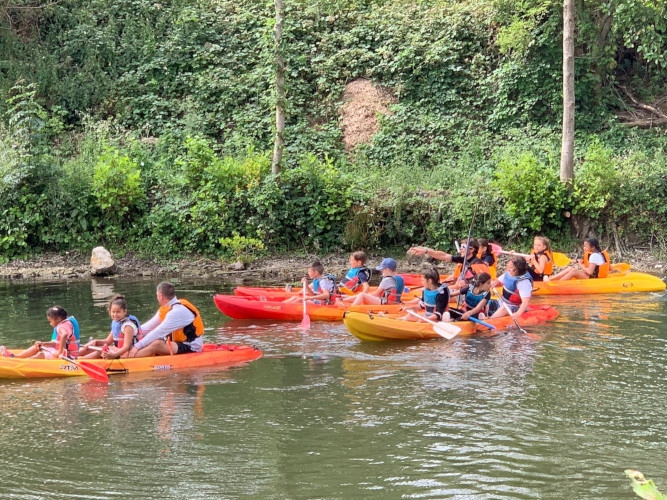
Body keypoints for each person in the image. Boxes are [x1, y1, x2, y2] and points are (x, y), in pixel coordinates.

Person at [128, 282, 204, 357]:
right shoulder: (167, 308)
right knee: (146, 339)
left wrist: (137, 346)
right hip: (177, 343)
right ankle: (128, 353)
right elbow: (148, 327)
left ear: (160, 296)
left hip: (191, 346)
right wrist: (128, 334)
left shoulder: (177, 311)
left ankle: (128, 358)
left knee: (157, 344)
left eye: (157, 295)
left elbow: (158, 332)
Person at [78, 294, 143, 359]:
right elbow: (108, 341)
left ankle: (79, 362)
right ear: (110, 312)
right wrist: (95, 342)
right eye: (113, 312)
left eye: (118, 312)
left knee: (101, 351)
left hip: (126, 353)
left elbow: (126, 347)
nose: (115, 314)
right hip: (117, 350)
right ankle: (72, 356)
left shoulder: (128, 326)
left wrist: (113, 355)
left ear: (124, 311)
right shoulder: (116, 323)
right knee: (93, 348)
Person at [4, 306, 80, 359]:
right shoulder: (65, 324)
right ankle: (16, 357)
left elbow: (64, 335)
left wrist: (59, 352)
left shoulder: (61, 327)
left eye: (50, 321)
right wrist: (43, 343)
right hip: (64, 353)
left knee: (41, 354)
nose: (50, 324)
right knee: (38, 346)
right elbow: (57, 343)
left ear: (58, 319)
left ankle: (22, 362)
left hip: (68, 356)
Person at [409, 238, 490, 285]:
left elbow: (484, 283)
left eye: (464, 247)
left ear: (472, 250)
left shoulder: (478, 264)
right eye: (461, 246)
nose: (461, 248)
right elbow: (443, 255)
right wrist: (425, 251)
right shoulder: (463, 259)